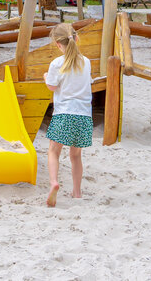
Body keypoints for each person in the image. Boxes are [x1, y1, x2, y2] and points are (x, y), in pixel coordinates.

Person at [43, 22, 92, 207]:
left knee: (53, 151)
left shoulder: (57, 63)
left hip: (64, 114)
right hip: (84, 116)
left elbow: (52, 86)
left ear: (58, 44)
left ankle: (54, 182)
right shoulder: (86, 62)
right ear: (76, 38)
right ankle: (77, 192)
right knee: (76, 155)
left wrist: (46, 77)